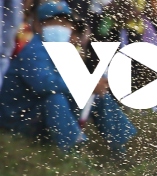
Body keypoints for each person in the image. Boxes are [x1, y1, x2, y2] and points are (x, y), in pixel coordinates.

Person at [0, 1, 135, 154]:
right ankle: (73, 151)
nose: (61, 27)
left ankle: (124, 146)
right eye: (54, 23)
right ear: (38, 26)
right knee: (55, 98)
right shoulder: (34, 50)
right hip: (19, 120)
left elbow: (80, 81)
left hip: (42, 116)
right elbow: (45, 85)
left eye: (65, 23)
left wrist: (95, 83)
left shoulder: (65, 50)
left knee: (96, 96)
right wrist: (88, 85)